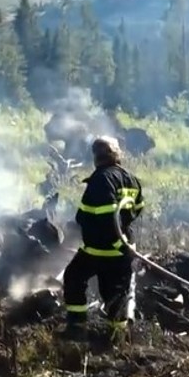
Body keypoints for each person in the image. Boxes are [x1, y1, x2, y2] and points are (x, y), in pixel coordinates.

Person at [61, 135, 145, 343]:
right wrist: (125, 241)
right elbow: (138, 207)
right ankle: (118, 339)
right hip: (121, 250)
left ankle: (77, 327)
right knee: (116, 293)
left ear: (97, 156)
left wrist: (117, 243)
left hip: (99, 249)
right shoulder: (131, 179)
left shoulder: (101, 180)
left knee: (73, 278)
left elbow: (106, 218)